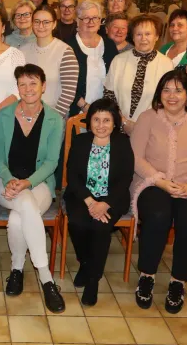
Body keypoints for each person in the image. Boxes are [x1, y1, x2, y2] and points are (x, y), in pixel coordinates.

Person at [130, 70, 187, 314]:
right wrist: (159, 181)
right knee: (158, 215)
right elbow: (136, 157)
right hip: (152, 183)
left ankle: (178, 281)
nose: (172, 96)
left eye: (178, 90)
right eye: (166, 90)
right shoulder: (147, 118)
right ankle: (147, 275)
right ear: (159, 94)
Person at [0, 64, 65, 313]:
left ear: (44, 87)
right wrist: (10, 179)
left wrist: (27, 183)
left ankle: (17, 269)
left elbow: (52, 162)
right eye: (22, 84)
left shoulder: (55, 119)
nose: (28, 88)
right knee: (24, 204)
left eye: (33, 83)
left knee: (17, 216)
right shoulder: (4, 116)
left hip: (40, 184)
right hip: (4, 182)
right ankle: (46, 278)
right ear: (17, 88)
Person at [64, 98, 134, 306]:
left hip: (112, 199)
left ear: (114, 123)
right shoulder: (81, 141)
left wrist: (105, 204)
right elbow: (73, 176)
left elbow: (125, 179)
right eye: (96, 119)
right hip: (82, 196)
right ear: (89, 121)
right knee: (77, 222)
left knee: (100, 226)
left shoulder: (123, 143)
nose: (101, 125)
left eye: (106, 120)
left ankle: (93, 279)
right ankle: (86, 263)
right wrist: (89, 201)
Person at [104, 14, 173, 134]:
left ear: (156, 36)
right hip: (119, 128)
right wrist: (123, 122)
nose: (143, 38)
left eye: (148, 34)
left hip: (152, 130)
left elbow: (167, 101)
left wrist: (143, 126)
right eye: (139, 34)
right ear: (133, 37)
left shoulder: (167, 64)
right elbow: (109, 96)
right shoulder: (118, 60)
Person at [19, 5, 78, 118]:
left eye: (46, 22)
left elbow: (68, 93)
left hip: (54, 117)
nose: (41, 26)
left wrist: (50, 119)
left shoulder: (65, 51)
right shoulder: (22, 51)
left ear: (54, 24)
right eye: (37, 21)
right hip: (25, 117)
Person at [65, 0, 118, 116]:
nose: (91, 22)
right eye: (86, 18)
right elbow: (64, 83)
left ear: (100, 21)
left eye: (95, 17)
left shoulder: (109, 45)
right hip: (77, 112)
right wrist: (84, 106)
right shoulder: (68, 47)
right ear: (77, 21)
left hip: (105, 112)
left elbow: (115, 79)